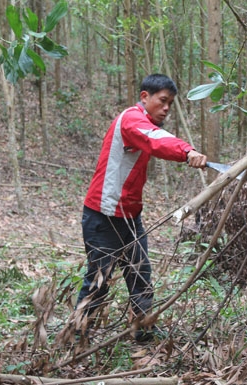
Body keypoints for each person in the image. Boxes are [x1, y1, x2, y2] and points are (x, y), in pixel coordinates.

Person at [74, 74, 207, 342]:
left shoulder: (144, 122)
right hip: (103, 216)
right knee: (98, 281)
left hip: (130, 216)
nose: (167, 108)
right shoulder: (132, 120)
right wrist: (187, 151)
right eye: (162, 101)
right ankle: (77, 335)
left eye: (170, 103)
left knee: (140, 275)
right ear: (145, 97)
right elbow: (156, 140)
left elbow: (156, 137)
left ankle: (143, 331)